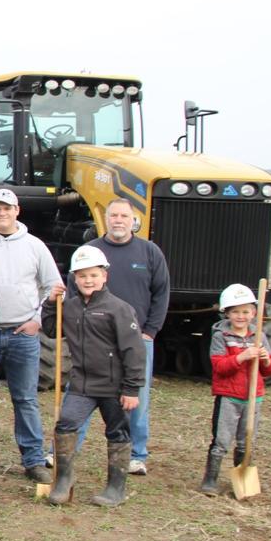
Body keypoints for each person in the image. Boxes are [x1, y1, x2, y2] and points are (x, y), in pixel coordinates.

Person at [0, 189, 58, 490]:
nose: (2, 213)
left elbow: (53, 287)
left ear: (17, 211)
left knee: (26, 398)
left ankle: (33, 460)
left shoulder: (35, 246)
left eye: (7, 208)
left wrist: (37, 320)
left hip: (22, 333)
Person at [42, 245, 144, 507]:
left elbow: (133, 351)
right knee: (65, 424)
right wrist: (51, 304)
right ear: (74, 278)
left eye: (93, 275)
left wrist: (131, 389)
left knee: (117, 432)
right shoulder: (70, 307)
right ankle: (64, 479)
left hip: (114, 386)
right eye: (82, 276)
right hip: (82, 384)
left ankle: (116, 488)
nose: (88, 280)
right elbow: (51, 330)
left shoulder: (119, 309)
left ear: (104, 276)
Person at [76, 198, 170, 476]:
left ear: (133, 220)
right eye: (113, 215)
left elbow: (162, 292)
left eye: (124, 216)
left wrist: (150, 331)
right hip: (95, 339)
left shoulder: (149, 252)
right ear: (105, 219)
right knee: (80, 393)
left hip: (137, 339)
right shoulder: (90, 251)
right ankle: (64, 451)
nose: (118, 220)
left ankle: (136, 454)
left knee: (136, 397)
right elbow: (74, 292)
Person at [199, 284, 271, 495]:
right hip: (229, 397)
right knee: (222, 440)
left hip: (253, 398)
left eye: (245, 311)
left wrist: (265, 359)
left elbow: (270, 370)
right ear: (227, 313)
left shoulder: (259, 336)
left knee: (246, 441)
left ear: (253, 313)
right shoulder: (221, 336)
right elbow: (219, 367)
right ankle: (210, 480)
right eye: (235, 312)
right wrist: (242, 357)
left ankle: (241, 480)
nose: (241, 316)